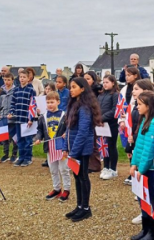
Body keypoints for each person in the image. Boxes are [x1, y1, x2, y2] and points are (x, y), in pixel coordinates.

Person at [63, 77, 101, 222]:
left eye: (73, 87)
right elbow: (69, 128)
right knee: (77, 177)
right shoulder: (74, 104)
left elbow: (83, 131)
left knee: (83, 177)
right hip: (73, 149)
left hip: (81, 150)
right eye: (70, 87)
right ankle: (79, 206)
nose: (71, 90)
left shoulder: (85, 107)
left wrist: (74, 152)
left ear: (82, 88)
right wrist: (66, 147)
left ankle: (86, 208)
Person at [130, 91, 154, 240]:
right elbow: (139, 146)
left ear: (149, 106)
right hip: (144, 168)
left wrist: (141, 169)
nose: (137, 107)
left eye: (140, 104)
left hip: (152, 169)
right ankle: (146, 229)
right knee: (143, 199)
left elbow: (149, 151)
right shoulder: (145, 121)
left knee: (152, 199)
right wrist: (134, 164)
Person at [33, 91, 70, 201]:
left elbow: (70, 127)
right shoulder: (43, 117)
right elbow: (39, 130)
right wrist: (38, 138)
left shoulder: (64, 115)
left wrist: (66, 133)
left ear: (58, 102)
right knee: (53, 169)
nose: (50, 104)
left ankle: (67, 189)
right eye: (48, 102)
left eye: (52, 102)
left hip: (61, 146)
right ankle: (56, 188)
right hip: (50, 147)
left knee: (64, 169)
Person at [8, 70, 36, 167]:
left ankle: (28, 158)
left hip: (27, 119)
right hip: (18, 118)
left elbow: (33, 105)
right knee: (19, 140)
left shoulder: (31, 90)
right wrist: (11, 112)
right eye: (20, 77)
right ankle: (21, 157)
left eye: (24, 77)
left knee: (27, 140)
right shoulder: (16, 90)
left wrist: (31, 119)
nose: (22, 79)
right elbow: (13, 103)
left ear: (28, 78)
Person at [119, 68, 141, 186]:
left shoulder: (140, 88)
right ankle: (131, 170)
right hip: (127, 120)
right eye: (126, 75)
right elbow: (121, 105)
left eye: (129, 75)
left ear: (136, 76)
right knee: (129, 146)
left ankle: (137, 171)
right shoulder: (124, 89)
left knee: (136, 146)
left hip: (134, 118)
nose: (127, 77)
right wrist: (122, 120)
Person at [97, 75, 119, 180]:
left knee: (111, 146)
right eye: (104, 82)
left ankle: (113, 168)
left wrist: (102, 118)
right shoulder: (100, 95)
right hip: (101, 125)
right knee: (104, 146)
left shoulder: (115, 95)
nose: (105, 84)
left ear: (113, 83)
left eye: (107, 82)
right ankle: (105, 166)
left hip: (111, 124)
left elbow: (114, 110)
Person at [83, 71, 102, 173]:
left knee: (93, 142)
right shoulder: (83, 91)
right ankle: (89, 163)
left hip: (93, 118)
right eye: (84, 79)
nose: (86, 81)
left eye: (88, 79)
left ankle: (95, 165)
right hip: (85, 117)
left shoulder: (97, 91)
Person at [0, 73, 18, 163]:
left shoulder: (16, 91)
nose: (7, 82)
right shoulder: (2, 91)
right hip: (3, 117)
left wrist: (13, 113)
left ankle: (14, 154)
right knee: (4, 137)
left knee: (14, 137)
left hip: (12, 117)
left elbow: (17, 103)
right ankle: (5, 154)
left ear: (12, 80)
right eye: (5, 80)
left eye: (8, 80)